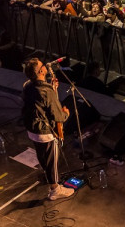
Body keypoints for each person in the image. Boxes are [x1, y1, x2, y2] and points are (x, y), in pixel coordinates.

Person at [22, 57, 73, 200]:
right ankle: (55, 189)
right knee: (52, 160)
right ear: (41, 71)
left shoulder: (28, 85)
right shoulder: (46, 91)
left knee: (42, 156)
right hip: (44, 131)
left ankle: (48, 177)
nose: (45, 65)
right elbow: (57, 115)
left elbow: (40, 100)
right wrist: (66, 114)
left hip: (31, 128)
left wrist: (51, 88)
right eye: (42, 65)